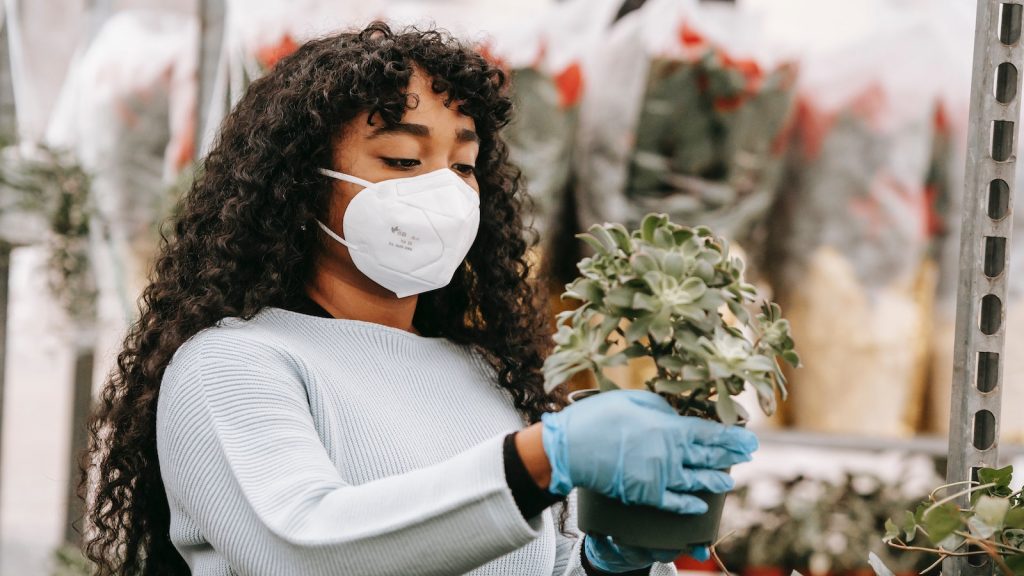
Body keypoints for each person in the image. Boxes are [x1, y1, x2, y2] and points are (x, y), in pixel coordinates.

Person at [80, 21, 758, 576]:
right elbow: (303, 550)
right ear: (297, 185)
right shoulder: (231, 364)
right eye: (403, 161)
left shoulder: (487, 372)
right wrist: (540, 461)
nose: (444, 192)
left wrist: (615, 564)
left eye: (463, 165)